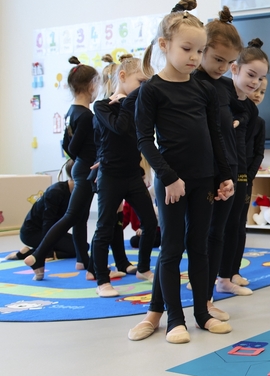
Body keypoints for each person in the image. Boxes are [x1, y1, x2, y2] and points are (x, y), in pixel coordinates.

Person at [129, 0, 234, 344]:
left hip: (204, 179)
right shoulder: (152, 91)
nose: (193, 57)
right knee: (172, 249)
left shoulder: (203, 89)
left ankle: (202, 313)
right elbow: (144, 141)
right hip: (172, 182)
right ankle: (174, 319)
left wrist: (224, 176)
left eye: (198, 51)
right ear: (165, 45)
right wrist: (169, 178)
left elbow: (215, 136)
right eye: (187, 49)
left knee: (200, 246)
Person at [190, 6, 250, 325]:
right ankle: (199, 299)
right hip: (204, 175)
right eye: (217, 60)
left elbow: (226, 126)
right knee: (197, 239)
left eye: (229, 63)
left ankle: (210, 296)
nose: (222, 68)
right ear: (203, 50)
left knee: (218, 235)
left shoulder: (225, 86)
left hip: (228, 172)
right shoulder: (192, 84)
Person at [25, 57, 100, 280]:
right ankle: (38, 255)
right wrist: (88, 161)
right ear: (91, 85)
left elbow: (66, 145)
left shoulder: (72, 111)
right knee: (72, 216)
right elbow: (74, 146)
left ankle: (82, 260)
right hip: (85, 169)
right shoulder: (86, 115)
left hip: (80, 167)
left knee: (79, 217)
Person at [90, 54, 158, 297]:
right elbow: (120, 127)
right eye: (141, 82)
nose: (143, 89)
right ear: (122, 77)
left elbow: (138, 136)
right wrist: (128, 102)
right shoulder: (100, 106)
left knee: (150, 223)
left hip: (132, 176)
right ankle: (102, 280)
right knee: (105, 227)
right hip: (110, 176)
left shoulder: (134, 106)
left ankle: (142, 267)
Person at [218, 39, 268, 299]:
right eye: (251, 75)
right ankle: (212, 276)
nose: (255, 84)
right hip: (219, 173)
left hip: (238, 174)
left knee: (236, 225)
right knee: (215, 229)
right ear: (234, 69)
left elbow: (252, 150)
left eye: (260, 79)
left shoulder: (250, 110)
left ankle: (226, 275)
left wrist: (245, 176)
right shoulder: (218, 92)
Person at [4, 160, 76, 262]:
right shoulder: (55, 192)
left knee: (83, 246)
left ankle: (29, 252)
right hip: (32, 232)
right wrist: (48, 252)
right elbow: (48, 222)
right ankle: (34, 253)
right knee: (73, 250)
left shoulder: (78, 194)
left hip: (52, 230)